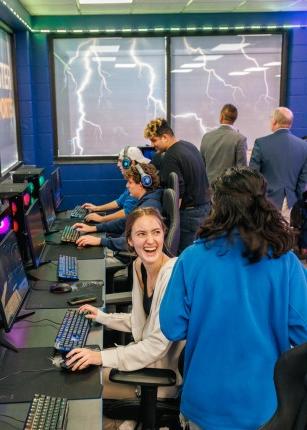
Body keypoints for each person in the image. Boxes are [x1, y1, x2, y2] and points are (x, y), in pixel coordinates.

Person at [159, 167, 307, 430]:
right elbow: (302, 331)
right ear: (263, 203)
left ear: (218, 205)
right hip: (263, 407)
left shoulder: (192, 258)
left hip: (204, 404)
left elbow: (173, 327)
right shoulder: (286, 263)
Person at [65, 207, 184, 428]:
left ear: (163, 234)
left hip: (158, 376)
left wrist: (100, 357)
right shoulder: (140, 266)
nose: (150, 241)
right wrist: (102, 317)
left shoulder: (172, 276)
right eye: (141, 234)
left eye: (156, 232)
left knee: (79, 384)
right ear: (129, 241)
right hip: (144, 361)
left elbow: (156, 345)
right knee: (79, 370)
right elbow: (141, 323)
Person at [144, 117, 211, 253]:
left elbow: (176, 195)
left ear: (165, 137)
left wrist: (168, 222)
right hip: (205, 208)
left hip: (189, 216)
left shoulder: (171, 156)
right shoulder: (189, 145)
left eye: (154, 140)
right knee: (199, 252)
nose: (153, 145)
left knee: (184, 256)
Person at [73, 163, 162, 252]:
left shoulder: (148, 210)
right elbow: (124, 222)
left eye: (130, 182)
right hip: (123, 241)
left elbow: (132, 242)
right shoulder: (146, 201)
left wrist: (100, 241)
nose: (127, 185)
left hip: (129, 253)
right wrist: (94, 228)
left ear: (143, 184)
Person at [250, 107, 307, 222]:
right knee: (286, 236)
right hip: (291, 203)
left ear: (274, 122)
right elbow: (303, 179)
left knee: (267, 236)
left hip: (266, 203)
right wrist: (296, 200)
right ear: (290, 124)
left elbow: (253, 175)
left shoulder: (261, 143)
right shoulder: (303, 146)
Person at [82, 146, 150, 223]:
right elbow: (119, 202)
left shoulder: (138, 183)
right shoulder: (133, 180)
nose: (118, 164)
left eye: (121, 161)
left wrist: (101, 219)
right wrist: (97, 208)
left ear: (130, 163)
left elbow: (127, 212)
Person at [200, 103, 247, 184]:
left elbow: (201, 166)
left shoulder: (206, 137)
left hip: (209, 189)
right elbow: (242, 171)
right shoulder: (240, 139)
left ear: (221, 117)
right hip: (229, 191)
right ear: (234, 119)